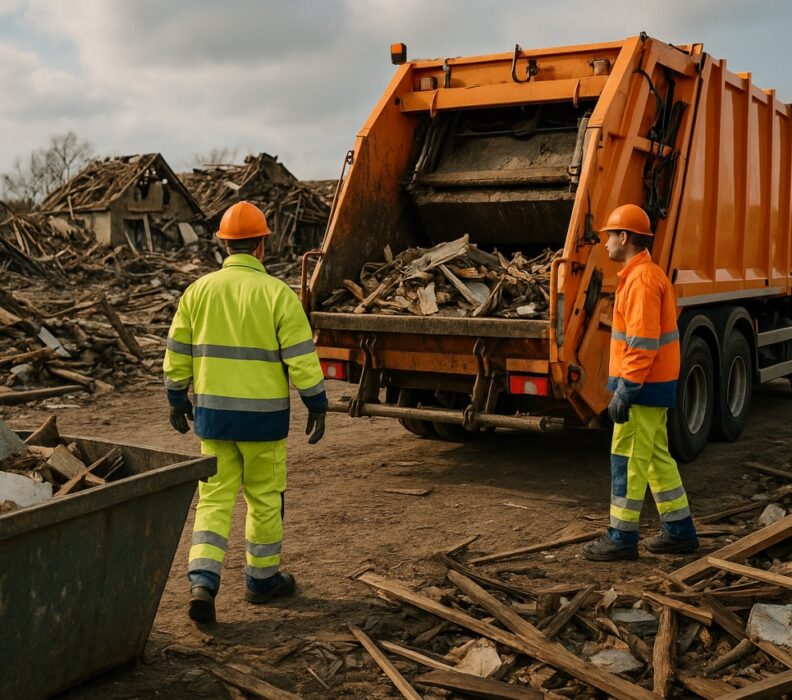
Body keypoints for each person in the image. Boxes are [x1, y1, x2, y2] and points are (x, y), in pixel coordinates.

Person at [163, 200, 328, 623]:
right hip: (264, 423)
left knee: (213, 501)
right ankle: (261, 580)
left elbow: (177, 352)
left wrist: (176, 397)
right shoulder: (277, 295)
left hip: (214, 420)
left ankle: (202, 582)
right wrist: (316, 402)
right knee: (264, 499)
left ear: (223, 244)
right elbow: (301, 358)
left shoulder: (197, 292)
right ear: (261, 247)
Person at [582, 204, 698, 561]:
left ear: (624, 237)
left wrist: (626, 389)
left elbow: (642, 343)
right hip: (650, 387)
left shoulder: (642, 280)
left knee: (629, 459)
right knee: (654, 459)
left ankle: (621, 537)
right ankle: (680, 532)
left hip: (641, 389)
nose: (604, 244)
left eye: (608, 236)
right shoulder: (642, 276)